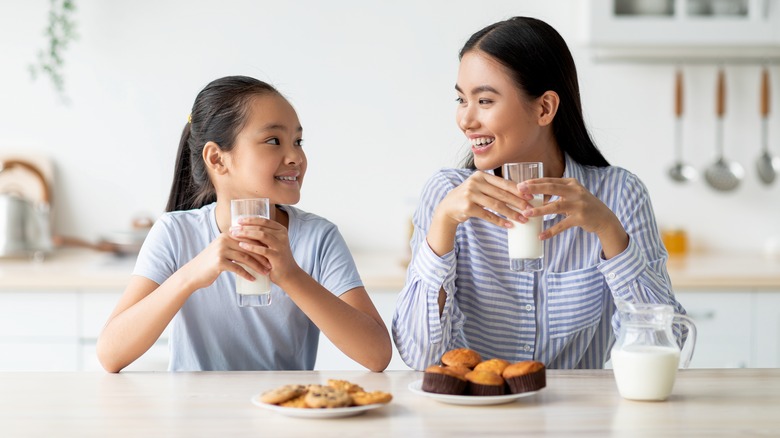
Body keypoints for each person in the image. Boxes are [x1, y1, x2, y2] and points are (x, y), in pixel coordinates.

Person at [392, 17, 686, 370]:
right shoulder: (447, 196)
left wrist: (610, 231)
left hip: (579, 420)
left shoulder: (619, 194)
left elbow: (670, 343)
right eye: (461, 99)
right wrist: (442, 226)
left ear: (544, 108)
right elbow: (418, 356)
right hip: (476, 419)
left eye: (484, 100)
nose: (465, 120)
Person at [97, 76, 391, 372]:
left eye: (298, 141)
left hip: (284, 411)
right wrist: (191, 275)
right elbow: (111, 355)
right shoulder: (175, 233)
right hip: (195, 414)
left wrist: (291, 275)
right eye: (274, 141)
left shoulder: (318, 238)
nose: (296, 157)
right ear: (217, 159)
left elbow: (377, 355)